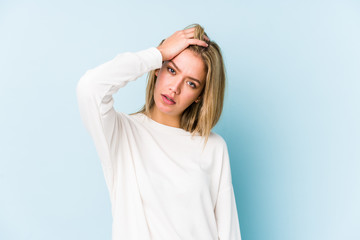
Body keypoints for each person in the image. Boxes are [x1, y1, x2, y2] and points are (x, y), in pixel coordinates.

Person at [76, 23, 241, 240]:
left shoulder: (213, 146)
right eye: (171, 70)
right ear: (157, 69)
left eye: (191, 83)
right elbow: (90, 87)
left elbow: (228, 232)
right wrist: (158, 53)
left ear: (200, 95)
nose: (175, 88)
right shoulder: (122, 134)